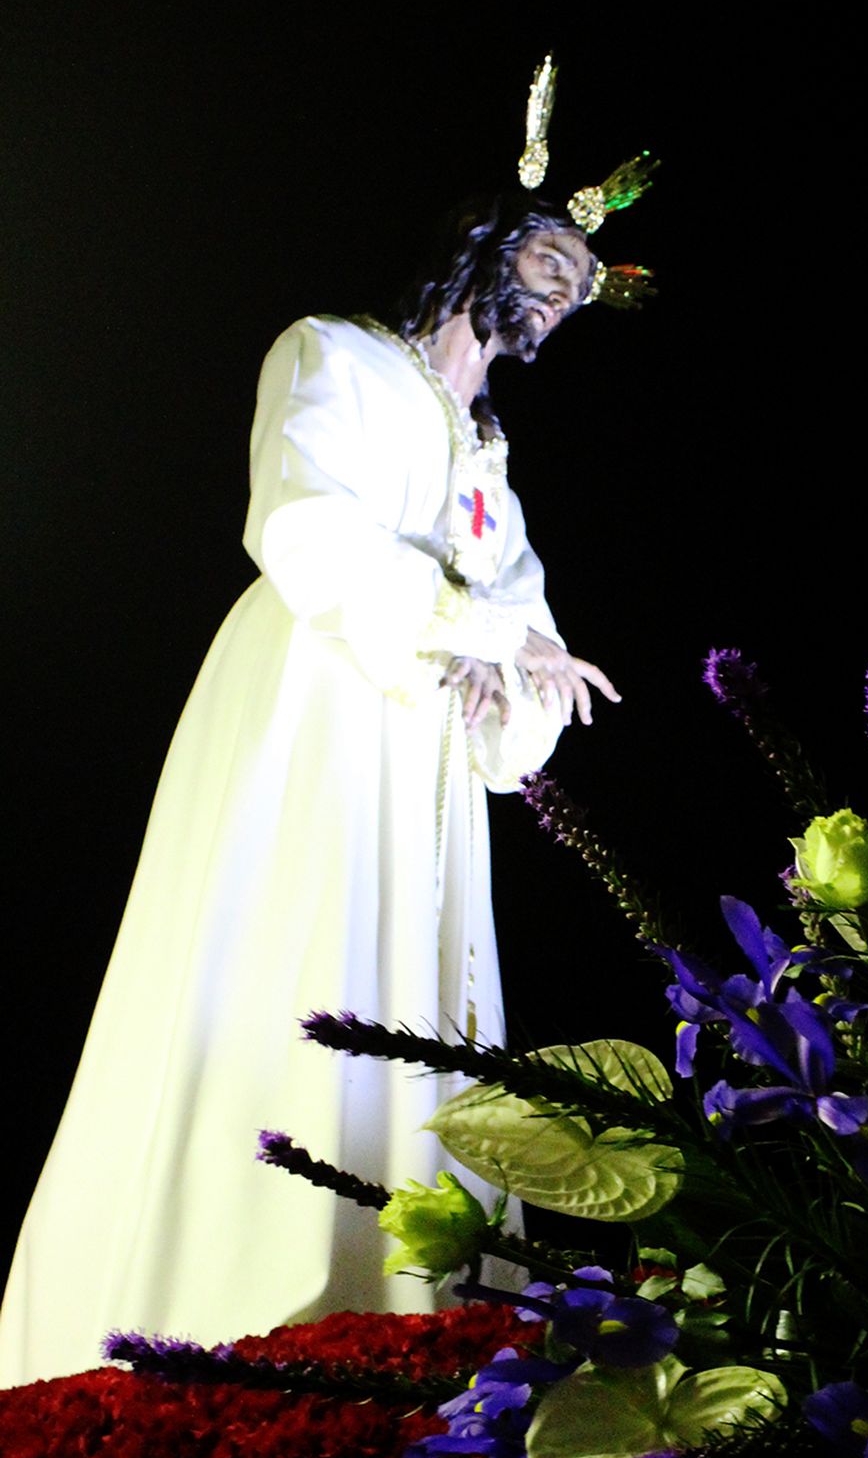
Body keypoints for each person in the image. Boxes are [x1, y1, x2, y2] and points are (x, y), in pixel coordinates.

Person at [0, 182, 629, 1386]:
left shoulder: (490, 459)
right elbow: (304, 527)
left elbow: (526, 635)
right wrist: (475, 631)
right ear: (486, 245)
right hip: (321, 701)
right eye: (555, 261)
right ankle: (246, 1289)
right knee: (295, 953)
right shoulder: (335, 356)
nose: (567, 295)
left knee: (420, 999)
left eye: (585, 287)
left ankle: (404, 1294)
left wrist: (521, 679)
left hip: (422, 749)